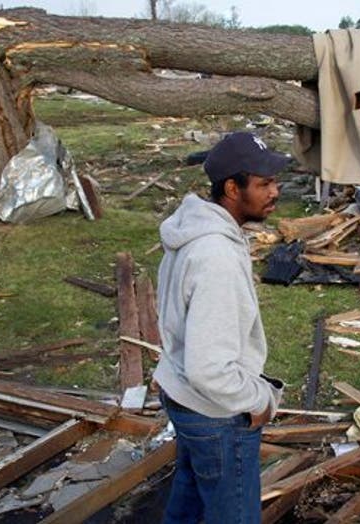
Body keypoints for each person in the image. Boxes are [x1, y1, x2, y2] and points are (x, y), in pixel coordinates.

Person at [153, 131, 288, 524]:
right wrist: (257, 402)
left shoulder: (195, 229)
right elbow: (209, 368)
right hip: (216, 413)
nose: (275, 192)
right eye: (264, 184)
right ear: (232, 187)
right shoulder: (216, 257)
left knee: (189, 503)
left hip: (182, 398)